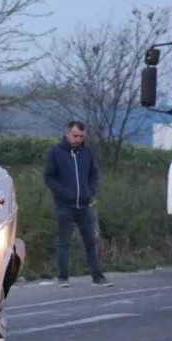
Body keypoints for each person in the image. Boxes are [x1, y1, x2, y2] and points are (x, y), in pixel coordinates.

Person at [43, 121, 112, 287]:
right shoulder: (55, 152)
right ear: (67, 133)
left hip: (85, 205)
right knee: (63, 242)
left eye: (81, 136)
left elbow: (94, 174)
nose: (78, 139)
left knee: (90, 242)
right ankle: (63, 277)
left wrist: (90, 191)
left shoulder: (87, 153)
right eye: (75, 136)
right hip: (64, 205)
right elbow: (49, 177)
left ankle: (98, 277)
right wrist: (61, 193)